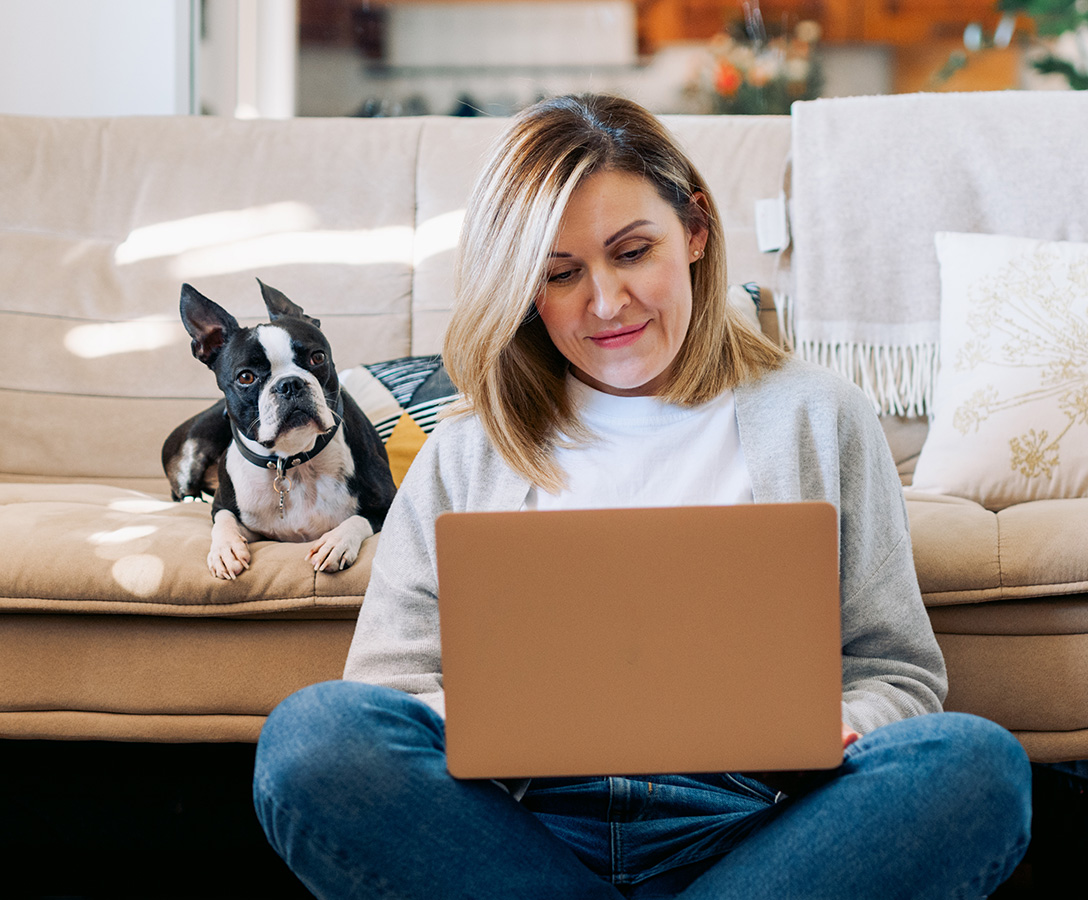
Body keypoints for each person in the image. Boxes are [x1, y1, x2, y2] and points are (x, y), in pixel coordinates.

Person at [252, 93, 1032, 900]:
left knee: (976, 768)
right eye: (560, 274)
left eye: (632, 252)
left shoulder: (819, 416)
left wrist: (849, 728)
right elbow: (385, 695)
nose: (606, 303)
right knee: (311, 739)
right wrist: (472, 714)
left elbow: (895, 672)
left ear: (694, 230)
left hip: (759, 830)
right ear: (523, 290)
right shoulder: (468, 451)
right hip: (517, 832)